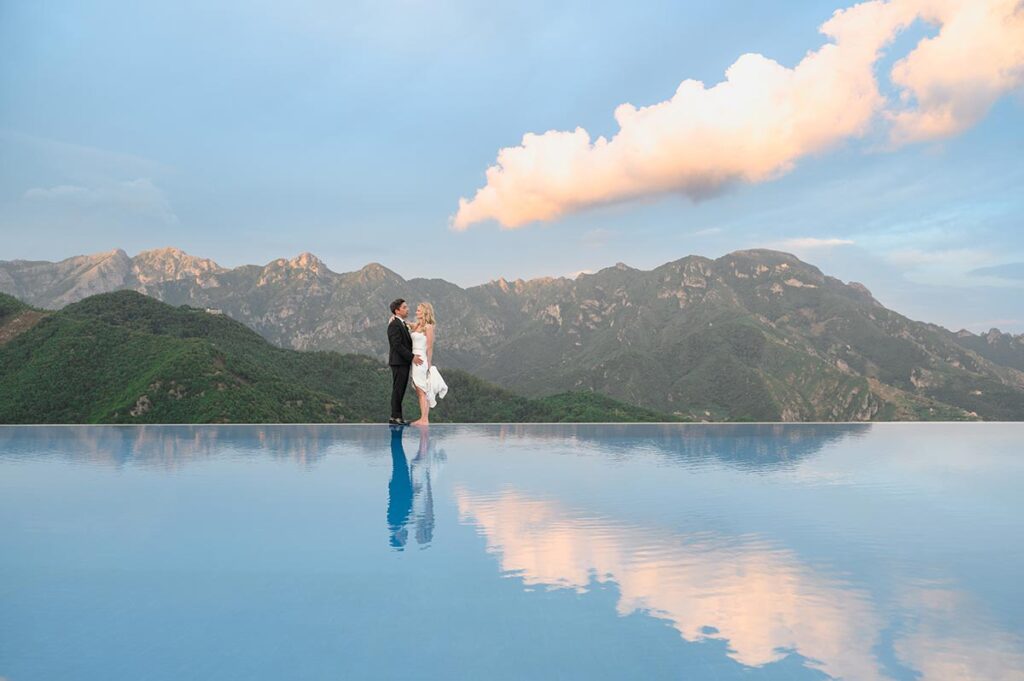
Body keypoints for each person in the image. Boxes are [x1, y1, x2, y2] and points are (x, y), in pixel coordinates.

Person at [407, 302, 448, 426]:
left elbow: (430, 347)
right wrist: (394, 318)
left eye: (419, 310)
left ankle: (424, 419)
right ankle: (424, 418)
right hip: (414, 359)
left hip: (421, 360)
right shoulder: (418, 325)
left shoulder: (429, 327)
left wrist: (429, 364)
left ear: (425, 312)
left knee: (422, 389)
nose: (416, 312)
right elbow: (407, 324)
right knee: (420, 390)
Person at [387, 299, 422, 426]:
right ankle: (395, 417)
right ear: (397, 310)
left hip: (403, 362)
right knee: (398, 389)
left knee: (400, 389)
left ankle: (398, 417)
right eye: (405, 307)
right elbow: (397, 345)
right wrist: (412, 357)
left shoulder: (401, 323)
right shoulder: (394, 325)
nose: (407, 309)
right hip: (398, 362)